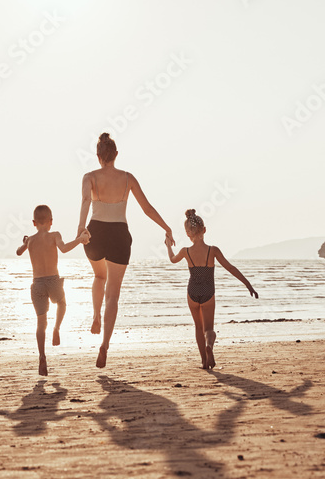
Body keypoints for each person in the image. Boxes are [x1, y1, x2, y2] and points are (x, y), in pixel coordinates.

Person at [77, 133, 174, 368]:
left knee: (99, 276)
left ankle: (96, 315)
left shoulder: (89, 177)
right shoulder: (128, 178)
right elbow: (147, 208)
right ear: (116, 155)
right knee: (113, 294)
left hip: (96, 233)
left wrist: (81, 228)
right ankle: (105, 345)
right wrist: (167, 227)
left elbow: (85, 202)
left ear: (98, 156)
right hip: (119, 235)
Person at [168, 209, 259, 370]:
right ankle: (209, 345)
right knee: (208, 329)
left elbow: (173, 259)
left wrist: (168, 246)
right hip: (208, 291)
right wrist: (247, 284)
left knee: (198, 327)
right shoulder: (212, 250)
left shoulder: (185, 251)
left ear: (188, 234)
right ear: (204, 230)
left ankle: (204, 361)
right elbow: (230, 268)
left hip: (192, 292)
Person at [17, 205, 90, 376]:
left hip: (37, 284)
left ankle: (42, 356)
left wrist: (25, 243)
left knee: (40, 323)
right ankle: (57, 328)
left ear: (34, 223)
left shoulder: (30, 241)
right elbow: (64, 249)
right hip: (53, 281)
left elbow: (18, 252)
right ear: (51, 222)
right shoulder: (55, 235)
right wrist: (79, 239)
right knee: (62, 304)